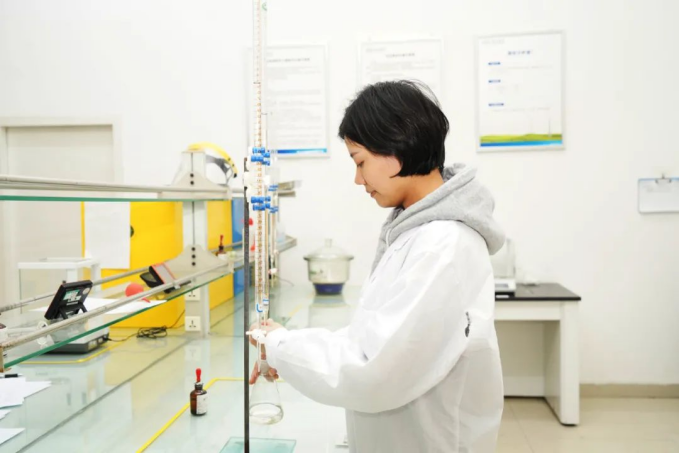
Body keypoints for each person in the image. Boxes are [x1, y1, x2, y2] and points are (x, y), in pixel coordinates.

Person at [250, 80, 505, 453]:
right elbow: (373, 339)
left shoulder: (442, 246)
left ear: (396, 147)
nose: (358, 179)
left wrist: (279, 347)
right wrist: (286, 349)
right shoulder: (416, 232)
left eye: (360, 161)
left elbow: (374, 369)